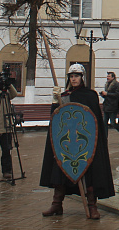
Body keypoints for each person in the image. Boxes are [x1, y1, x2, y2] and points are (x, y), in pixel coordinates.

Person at [41, 64, 114, 219]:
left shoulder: (90, 95)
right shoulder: (64, 96)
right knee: (61, 170)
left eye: (76, 76)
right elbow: (56, 117)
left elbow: (93, 120)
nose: (73, 79)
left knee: (89, 174)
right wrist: (55, 102)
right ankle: (57, 204)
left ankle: (92, 206)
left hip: (84, 143)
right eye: (71, 76)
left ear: (82, 78)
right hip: (67, 142)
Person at [100, 71, 119, 140]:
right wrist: (103, 95)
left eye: (109, 76)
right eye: (107, 76)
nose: (107, 78)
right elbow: (108, 96)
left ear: (113, 77)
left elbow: (117, 95)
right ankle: (105, 138)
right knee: (104, 123)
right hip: (106, 106)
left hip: (113, 107)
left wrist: (107, 94)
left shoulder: (117, 84)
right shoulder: (107, 84)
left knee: (113, 123)